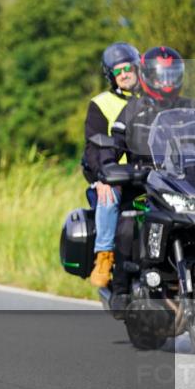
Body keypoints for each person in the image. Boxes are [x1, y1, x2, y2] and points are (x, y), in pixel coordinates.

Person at [104, 46, 192, 308]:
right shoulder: (133, 110)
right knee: (128, 221)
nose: (166, 81)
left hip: (183, 182)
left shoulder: (190, 107)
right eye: (160, 75)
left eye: (171, 74)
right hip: (144, 183)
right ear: (147, 76)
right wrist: (109, 165)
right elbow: (112, 145)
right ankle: (121, 289)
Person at [81, 42, 139, 287]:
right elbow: (94, 147)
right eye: (118, 71)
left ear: (137, 68)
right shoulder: (101, 103)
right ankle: (104, 255)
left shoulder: (155, 98)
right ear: (112, 77)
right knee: (108, 194)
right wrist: (102, 176)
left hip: (151, 173)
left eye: (127, 68)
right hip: (117, 174)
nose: (124, 74)